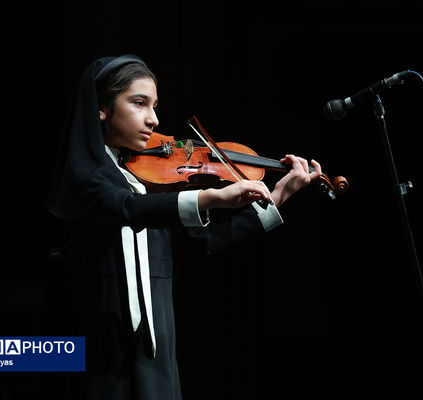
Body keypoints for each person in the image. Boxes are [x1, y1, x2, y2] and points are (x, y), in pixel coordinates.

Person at [47, 54, 323, 400]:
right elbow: (127, 208)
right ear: (101, 107)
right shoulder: (85, 180)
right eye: (139, 103)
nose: (154, 119)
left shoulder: (146, 181)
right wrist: (209, 197)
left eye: (155, 105)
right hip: (98, 350)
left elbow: (206, 240)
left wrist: (278, 196)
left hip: (157, 351)